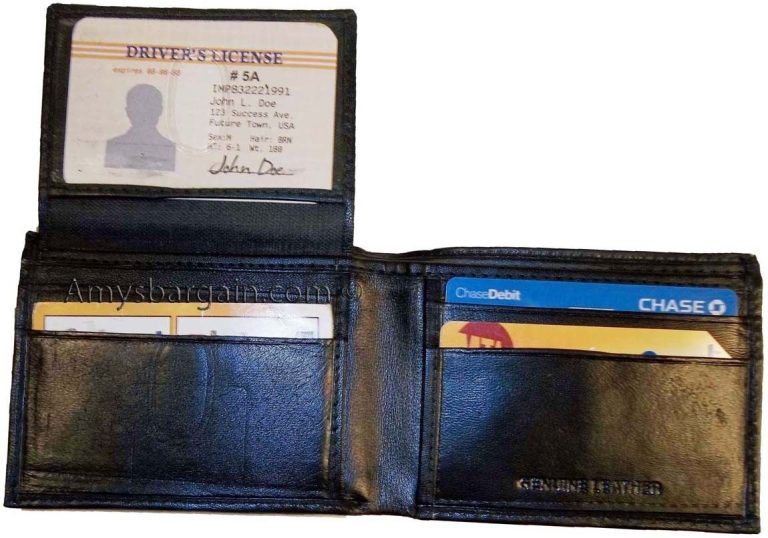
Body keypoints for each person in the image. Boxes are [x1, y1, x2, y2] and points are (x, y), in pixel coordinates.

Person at [104, 84, 176, 171]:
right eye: (138, 108)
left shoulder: (171, 149)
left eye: (149, 108)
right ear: (128, 111)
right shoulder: (113, 146)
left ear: (160, 110)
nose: (143, 114)